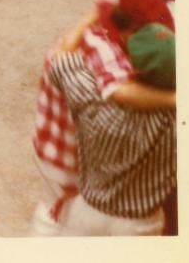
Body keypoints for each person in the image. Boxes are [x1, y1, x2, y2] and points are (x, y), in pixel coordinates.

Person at [45, 27, 175, 236]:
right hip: (141, 225)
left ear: (133, 67)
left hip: (87, 215)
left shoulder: (95, 104)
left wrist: (93, 15)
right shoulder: (180, 123)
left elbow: (62, 57)